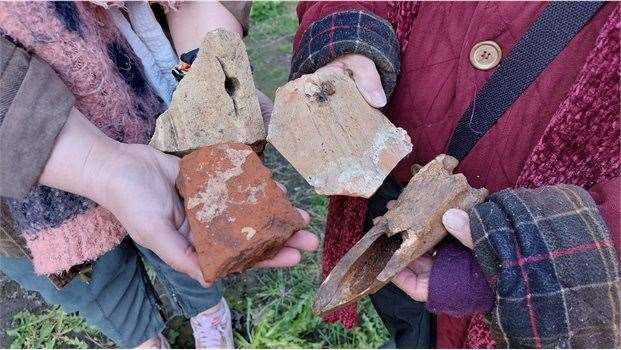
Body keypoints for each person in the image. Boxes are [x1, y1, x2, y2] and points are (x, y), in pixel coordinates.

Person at [291, 1, 620, 348]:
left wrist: (526, 262)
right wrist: (348, 36)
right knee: (407, 321)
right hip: (388, 190)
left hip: (515, 261)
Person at [0, 2, 318, 348]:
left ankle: (209, 313)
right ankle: (143, 338)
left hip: (161, 115)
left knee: (187, 239)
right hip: (26, 200)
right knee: (99, 284)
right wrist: (97, 164)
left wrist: (213, 73)